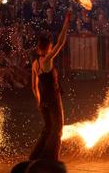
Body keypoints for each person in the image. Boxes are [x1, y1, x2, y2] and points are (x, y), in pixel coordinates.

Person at [29, 11, 71, 160]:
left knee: (47, 129)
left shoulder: (35, 64)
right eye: (50, 46)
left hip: (44, 100)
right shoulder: (46, 61)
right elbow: (60, 43)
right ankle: (52, 159)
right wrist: (66, 23)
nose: (52, 47)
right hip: (53, 98)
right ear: (47, 48)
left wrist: (39, 100)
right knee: (58, 129)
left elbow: (34, 86)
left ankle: (35, 157)